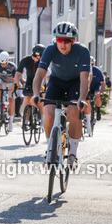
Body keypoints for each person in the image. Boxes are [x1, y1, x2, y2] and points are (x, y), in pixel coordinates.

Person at [30, 21, 91, 170]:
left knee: (74, 111)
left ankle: (72, 154)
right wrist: (36, 94)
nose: (62, 44)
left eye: (66, 41)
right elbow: (39, 75)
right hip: (56, 82)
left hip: (75, 83)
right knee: (49, 113)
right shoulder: (50, 49)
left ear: (73, 41)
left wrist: (81, 99)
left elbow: (84, 78)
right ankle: (50, 150)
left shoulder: (82, 51)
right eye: (59, 40)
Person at [0, 51, 18, 133]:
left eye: (4, 64)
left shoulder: (12, 67)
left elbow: (15, 79)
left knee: (11, 101)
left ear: (7, 61)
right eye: (1, 64)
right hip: (2, 80)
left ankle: (10, 122)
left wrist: (13, 88)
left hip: (11, 82)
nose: (2, 65)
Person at [19, 44, 44, 118]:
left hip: (41, 81)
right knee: (27, 99)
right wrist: (17, 83)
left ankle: (43, 119)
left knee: (41, 100)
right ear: (37, 55)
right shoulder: (26, 59)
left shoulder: (42, 61)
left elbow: (46, 75)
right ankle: (25, 120)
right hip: (30, 81)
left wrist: (42, 85)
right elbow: (18, 73)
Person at [83, 58, 106, 133]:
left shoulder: (97, 70)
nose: (91, 65)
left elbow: (102, 83)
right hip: (88, 87)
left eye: (92, 64)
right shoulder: (84, 69)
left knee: (97, 95)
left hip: (96, 86)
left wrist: (101, 92)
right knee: (87, 101)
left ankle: (98, 110)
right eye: (90, 64)